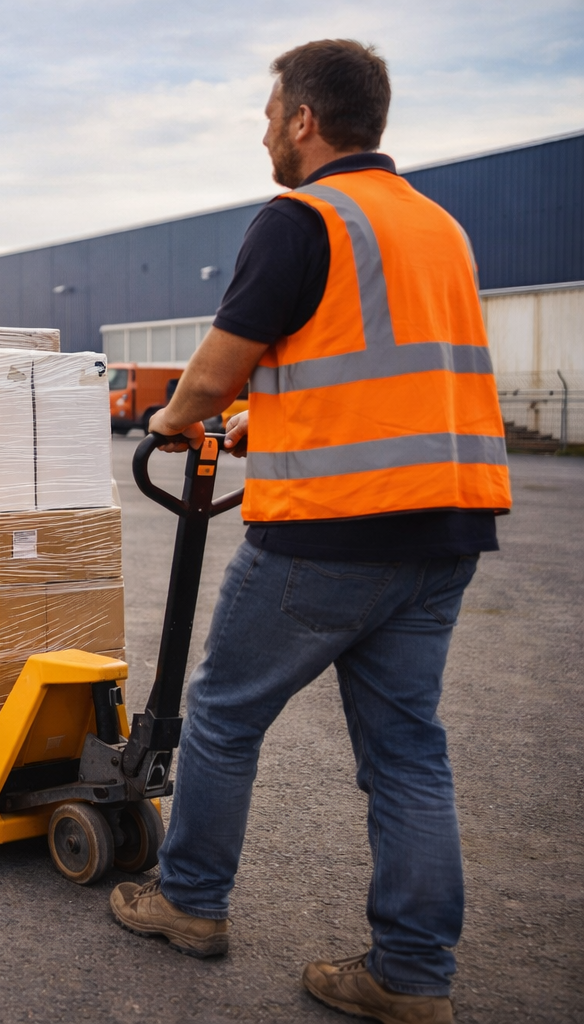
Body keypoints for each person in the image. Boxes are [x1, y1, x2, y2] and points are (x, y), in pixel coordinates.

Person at [106, 39, 511, 1024]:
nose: (263, 129)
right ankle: (413, 975)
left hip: (330, 533)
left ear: (303, 121)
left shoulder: (302, 219)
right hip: (446, 527)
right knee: (409, 749)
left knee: (224, 714)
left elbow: (211, 369)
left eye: (269, 110)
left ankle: (190, 903)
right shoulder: (437, 227)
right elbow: (372, 364)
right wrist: (261, 420)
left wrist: (176, 419)